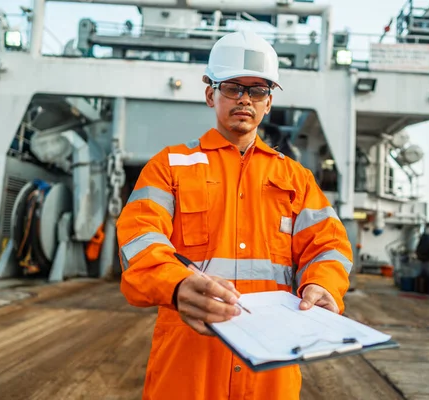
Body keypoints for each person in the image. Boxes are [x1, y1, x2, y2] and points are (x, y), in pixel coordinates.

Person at [116, 30, 353, 400]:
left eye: (257, 90)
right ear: (211, 94)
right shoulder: (169, 166)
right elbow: (138, 241)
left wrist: (321, 284)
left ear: (269, 102)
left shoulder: (296, 178)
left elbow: (328, 246)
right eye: (233, 88)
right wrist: (176, 285)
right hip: (190, 360)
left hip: (269, 367)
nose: (245, 99)